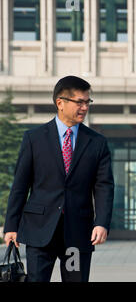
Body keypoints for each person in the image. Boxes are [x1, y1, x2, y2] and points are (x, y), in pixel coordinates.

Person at [2, 76, 114, 282]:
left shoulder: (97, 142)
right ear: (60, 103)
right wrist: (11, 226)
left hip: (78, 233)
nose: (84, 107)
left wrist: (102, 223)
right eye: (79, 102)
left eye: (87, 102)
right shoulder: (34, 138)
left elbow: (104, 186)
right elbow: (20, 185)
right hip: (39, 231)